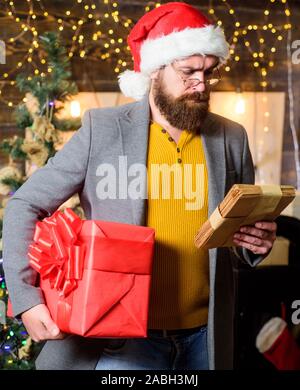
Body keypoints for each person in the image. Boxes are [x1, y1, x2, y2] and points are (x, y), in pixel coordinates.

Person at [2, 2, 276, 370]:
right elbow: (25, 204)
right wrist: (27, 298)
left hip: (205, 336)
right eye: (188, 72)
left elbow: (236, 233)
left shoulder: (231, 137)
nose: (201, 84)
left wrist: (254, 243)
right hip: (122, 342)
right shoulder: (102, 129)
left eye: (209, 73)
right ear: (155, 70)